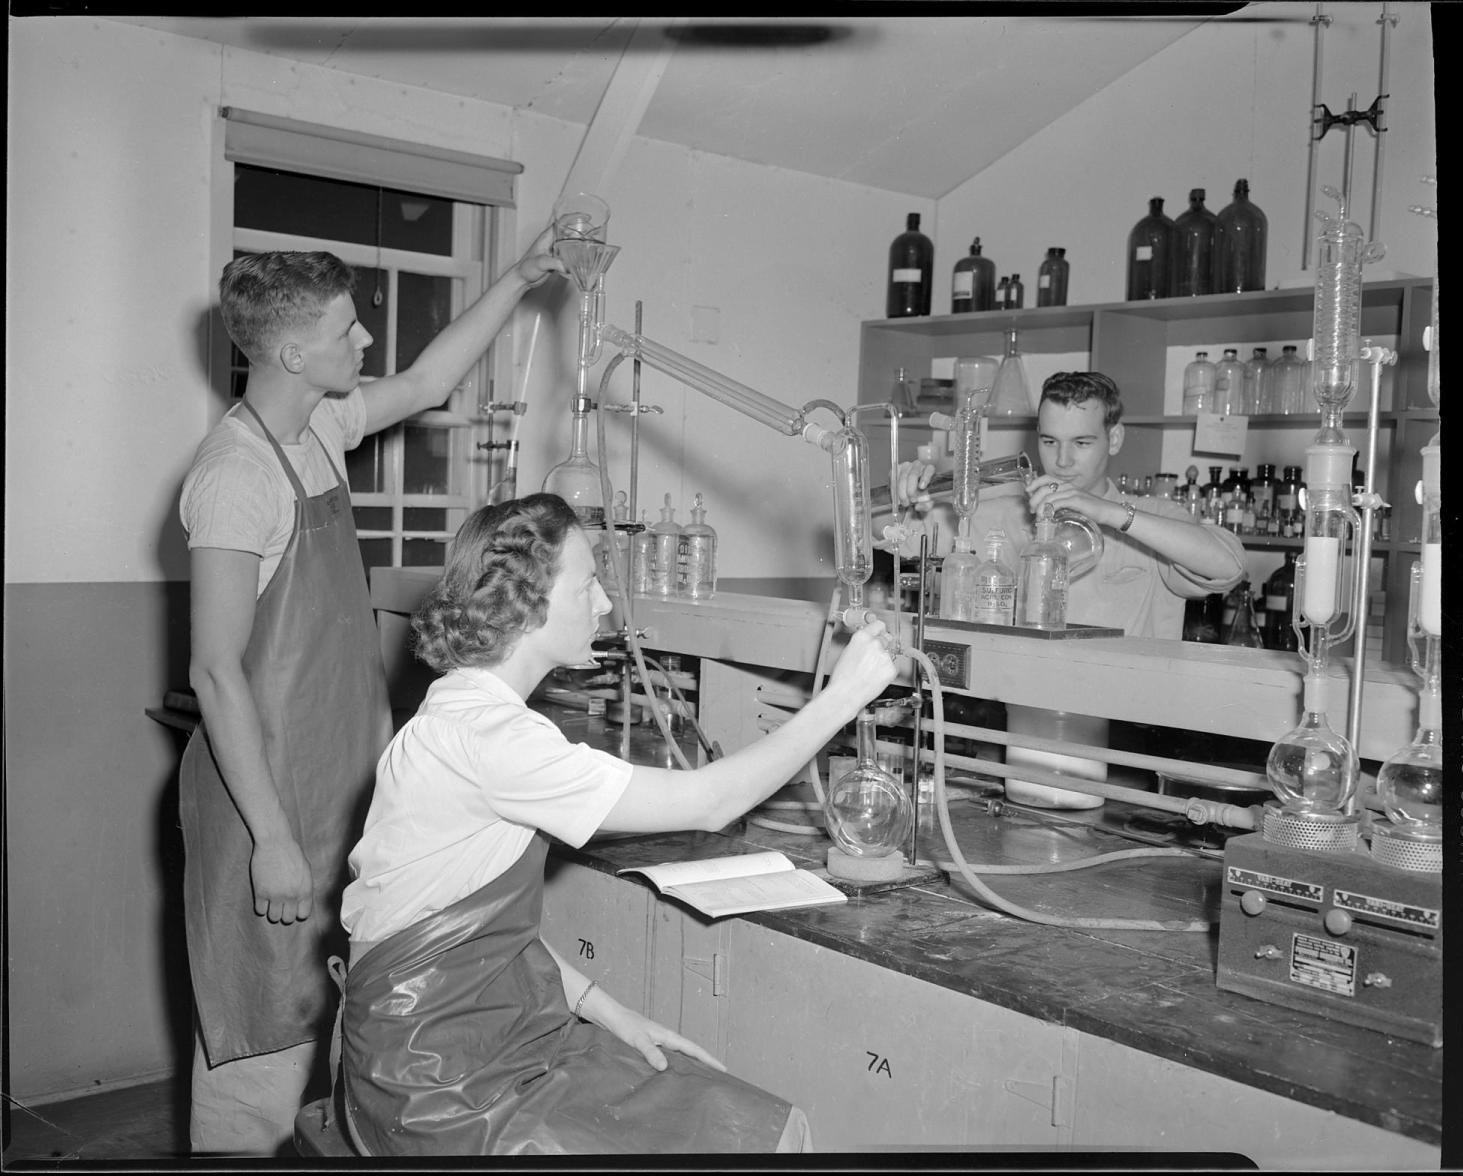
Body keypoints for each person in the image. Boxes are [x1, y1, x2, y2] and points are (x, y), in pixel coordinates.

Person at [337, 494, 900, 1154]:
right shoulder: (492, 739)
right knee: (754, 1139)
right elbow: (712, 803)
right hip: (434, 1077)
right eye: (589, 583)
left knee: (755, 1124)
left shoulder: (462, 711)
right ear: (530, 600)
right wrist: (843, 697)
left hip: (473, 1032)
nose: (605, 603)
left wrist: (612, 1012)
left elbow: (476, 934)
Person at [178, 238, 564, 1156]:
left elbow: (430, 380)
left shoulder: (319, 429)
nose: (365, 336)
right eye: (345, 326)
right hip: (261, 805)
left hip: (339, 783)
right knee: (258, 1047)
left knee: (346, 1038)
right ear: (291, 354)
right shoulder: (234, 475)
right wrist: (272, 840)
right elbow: (215, 672)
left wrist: (518, 276)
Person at [894, 370, 1245, 639]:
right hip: (1025, 709)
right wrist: (904, 492)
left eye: (1081, 442)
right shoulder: (1005, 512)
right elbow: (890, 534)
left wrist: (1107, 512)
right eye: (1049, 441)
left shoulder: (1154, 517)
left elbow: (1227, 567)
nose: (1062, 461)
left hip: (1120, 718)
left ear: (1115, 438)